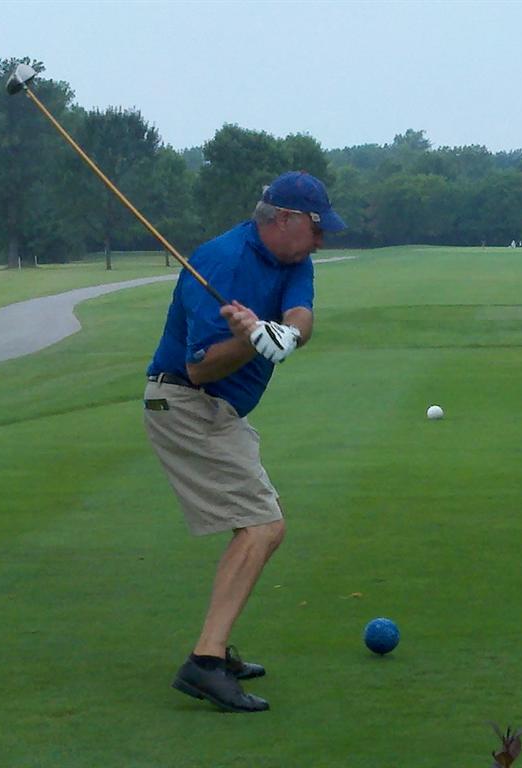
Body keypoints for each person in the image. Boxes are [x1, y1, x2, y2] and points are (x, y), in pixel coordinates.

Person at [143, 171, 345, 713]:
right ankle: (205, 662)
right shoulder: (222, 262)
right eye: (317, 229)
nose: (321, 241)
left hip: (219, 410)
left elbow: (301, 314)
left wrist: (283, 333)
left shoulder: (293, 257)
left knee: (259, 524)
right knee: (262, 525)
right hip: (184, 402)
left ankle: (213, 653)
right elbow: (200, 367)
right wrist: (250, 340)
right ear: (286, 219)